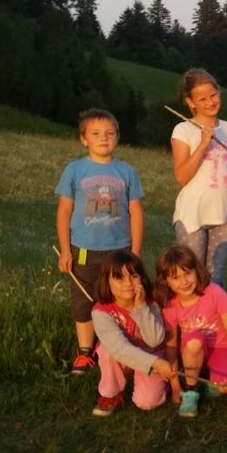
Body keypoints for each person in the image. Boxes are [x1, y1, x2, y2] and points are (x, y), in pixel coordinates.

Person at [55, 109, 144, 375]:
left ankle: (118, 348)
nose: (103, 138)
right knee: (83, 302)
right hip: (83, 250)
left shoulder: (127, 171)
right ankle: (85, 352)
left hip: (119, 250)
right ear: (84, 139)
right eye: (95, 133)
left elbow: (136, 212)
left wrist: (135, 252)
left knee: (120, 298)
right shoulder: (75, 170)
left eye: (109, 133)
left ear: (118, 136)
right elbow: (64, 211)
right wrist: (65, 250)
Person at [155, 245, 227, 418]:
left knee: (226, 386)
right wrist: (175, 386)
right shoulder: (170, 305)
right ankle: (190, 390)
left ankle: (205, 383)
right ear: (166, 281)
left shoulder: (214, 292)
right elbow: (171, 346)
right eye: (175, 278)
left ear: (196, 270)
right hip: (192, 349)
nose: (184, 282)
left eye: (187, 273)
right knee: (194, 341)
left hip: (220, 348)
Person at [169, 68, 227, 288]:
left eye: (213, 95)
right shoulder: (183, 130)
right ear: (190, 102)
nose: (210, 102)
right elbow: (181, 177)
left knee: (216, 277)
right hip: (193, 214)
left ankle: (213, 311)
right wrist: (202, 145)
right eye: (202, 99)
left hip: (222, 212)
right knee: (191, 274)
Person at [89, 251, 176, 417]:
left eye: (134, 276)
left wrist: (141, 307)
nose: (128, 283)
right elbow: (119, 349)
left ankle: (157, 384)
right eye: (119, 278)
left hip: (151, 352)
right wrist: (155, 363)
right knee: (106, 351)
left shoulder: (151, 301)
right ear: (107, 281)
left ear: (141, 277)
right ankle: (111, 394)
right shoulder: (101, 312)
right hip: (122, 358)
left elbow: (155, 340)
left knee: (147, 402)